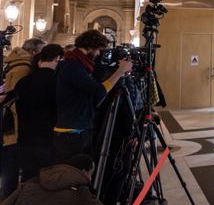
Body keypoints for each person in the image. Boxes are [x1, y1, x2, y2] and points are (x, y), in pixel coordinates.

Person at [54, 30, 132, 163]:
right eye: (98, 50)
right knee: (73, 173)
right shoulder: (73, 67)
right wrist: (120, 71)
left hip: (77, 127)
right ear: (90, 47)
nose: (98, 54)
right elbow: (99, 91)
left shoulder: (78, 64)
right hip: (73, 131)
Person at [0, 38, 45, 199]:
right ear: (33, 52)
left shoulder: (14, 63)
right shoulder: (23, 68)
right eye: (41, 51)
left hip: (9, 128)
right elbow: (15, 100)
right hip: (14, 129)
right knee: (9, 173)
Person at [14, 44, 64, 182]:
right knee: (48, 180)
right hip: (48, 139)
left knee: (28, 179)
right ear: (58, 58)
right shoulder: (58, 82)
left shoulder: (23, 81)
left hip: (25, 137)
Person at [2, 154, 102, 204]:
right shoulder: (82, 192)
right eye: (91, 173)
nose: (90, 178)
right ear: (83, 171)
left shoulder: (33, 181)